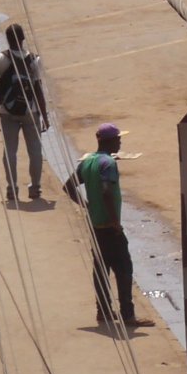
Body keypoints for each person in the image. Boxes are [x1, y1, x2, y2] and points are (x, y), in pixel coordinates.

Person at [63, 123, 140, 329]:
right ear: (110, 141)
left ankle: (103, 311)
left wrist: (87, 206)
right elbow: (107, 191)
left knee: (100, 268)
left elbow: (68, 186)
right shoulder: (107, 163)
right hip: (109, 226)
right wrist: (115, 222)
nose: (120, 141)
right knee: (124, 269)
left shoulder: (87, 162)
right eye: (118, 139)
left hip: (95, 225)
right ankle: (128, 315)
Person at [0, 24, 50, 205]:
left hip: (7, 112)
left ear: (7, 39)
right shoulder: (34, 60)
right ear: (23, 38)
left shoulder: (0, 59)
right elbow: (38, 90)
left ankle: (11, 188)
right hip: (30, 111)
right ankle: (35, 188)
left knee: (10, 152)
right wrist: (44, 115)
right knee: (35, 152)